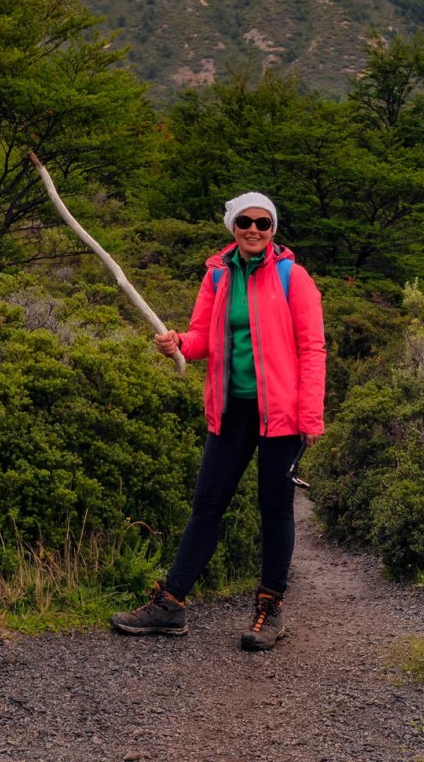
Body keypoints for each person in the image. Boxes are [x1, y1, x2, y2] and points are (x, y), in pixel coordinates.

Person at [111, 191, 326, 651]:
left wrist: (310, 415)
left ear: (273, 229)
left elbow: (313, 349)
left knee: (275, 508)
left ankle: (269, 609)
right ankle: (171, 604)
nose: (254, 230)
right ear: (232, 226)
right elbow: (202, 335)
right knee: (206, 505)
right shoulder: (217, 275)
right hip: (229, 410)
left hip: (281, 415)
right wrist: (179, 345)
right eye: (245, 222)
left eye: (263, 223)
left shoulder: (293, 277)